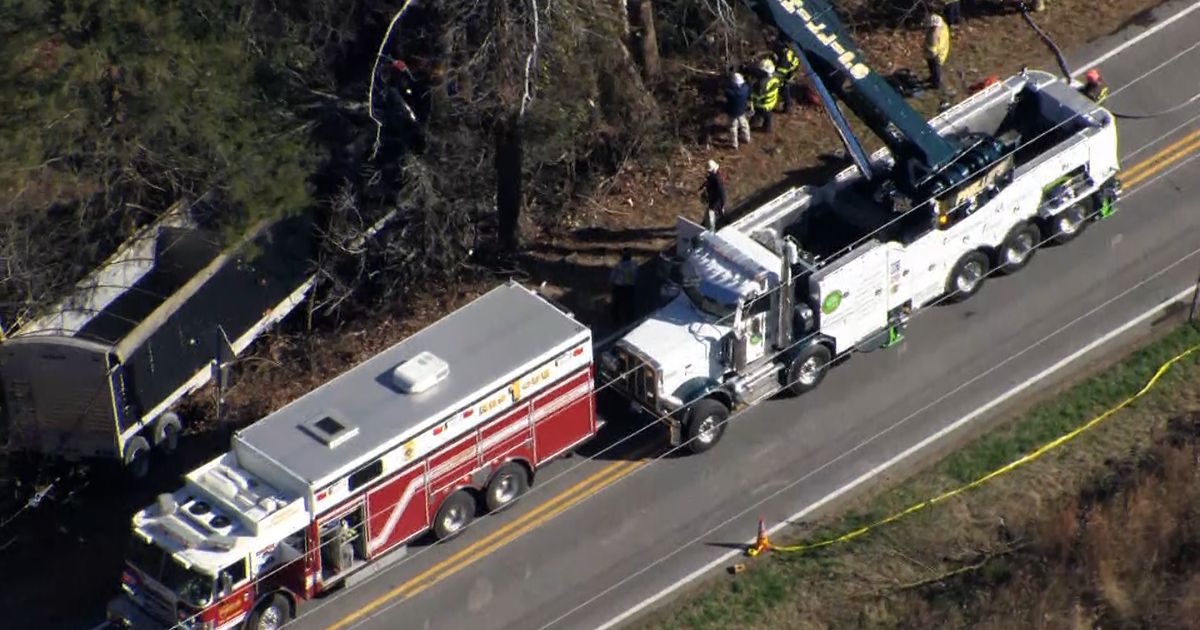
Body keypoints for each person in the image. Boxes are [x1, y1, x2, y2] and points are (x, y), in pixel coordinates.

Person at [752, 59, 782, 132]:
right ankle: (767, 127)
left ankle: (761, 126)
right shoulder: (776, 76)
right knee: (768, 115)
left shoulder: (761, 84)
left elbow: (757, 96)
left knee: (760, 113)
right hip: (772, 101)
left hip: (762, 105)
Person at [772, 37, 801, 113]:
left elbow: (780, 72)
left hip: (787, 73)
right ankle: (788, 104)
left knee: (783, 87)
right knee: (784, 87)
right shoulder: (788, 52)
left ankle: (788, 105)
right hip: (791, 70)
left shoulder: (784, 58)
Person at [610, 249, 638, 326]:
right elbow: (636, 275)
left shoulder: (618, 265)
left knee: (617, 304)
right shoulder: (634, 265)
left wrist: (611, 284)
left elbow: (612, 277)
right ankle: (630, 319)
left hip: (619, 287)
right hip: (629, 287)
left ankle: (616, 320)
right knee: (629, 304)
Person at [724, 71, 751, 149]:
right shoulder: (745, 89)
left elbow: (725, 92)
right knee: (744, 125)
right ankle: (746, 138)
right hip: (742, 111)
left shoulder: (730, 92)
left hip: (732, 113)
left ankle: (734, 143)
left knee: (732, 127)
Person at [924, 13, 951, 90]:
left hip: (936, 52)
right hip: (934, 50)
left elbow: (934, 39)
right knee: (931, 66)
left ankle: (936, 84)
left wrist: (932, 50)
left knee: (935, 67)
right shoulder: (942, 25)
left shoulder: (936, 30)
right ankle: (933, 77)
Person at [699, 160, 727, 230]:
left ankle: (710, 230)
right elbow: (708, 183)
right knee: (709, 217)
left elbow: (722, 194)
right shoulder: (712, 178)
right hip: (713, 202)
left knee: (711, 219)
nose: (708, 173)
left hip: (716, 204)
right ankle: (704, 227)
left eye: (709, 171)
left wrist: (721, 205)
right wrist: (703, 187)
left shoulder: (717, 180)